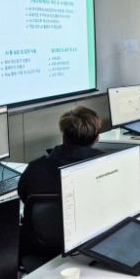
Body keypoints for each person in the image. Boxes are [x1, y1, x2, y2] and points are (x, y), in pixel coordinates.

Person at [18, 107, 104, 261]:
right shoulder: (106, 166)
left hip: (40, 250)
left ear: (63, 135)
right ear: (97, 137)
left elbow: (24, 196)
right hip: (90, 248)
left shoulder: (34, 168)